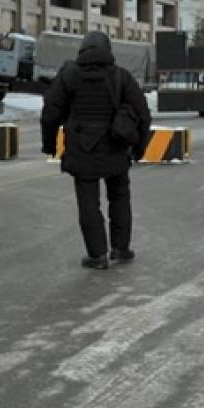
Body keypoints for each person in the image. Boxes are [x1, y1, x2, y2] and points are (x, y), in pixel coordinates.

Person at [41, 31, 152, 269]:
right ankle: (121, 249)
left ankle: (97, 255)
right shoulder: (121, 77)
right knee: (120, 196)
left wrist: (49, 144)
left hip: (82, 149)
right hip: (115, 146)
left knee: (88, 203)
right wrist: (139, 149)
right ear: (108, 50)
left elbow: (50, 113)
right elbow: (143, 115)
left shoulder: (69, 75)